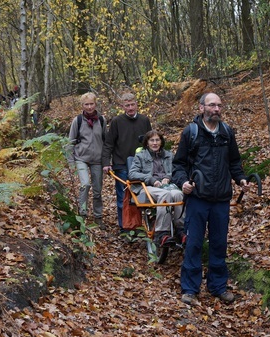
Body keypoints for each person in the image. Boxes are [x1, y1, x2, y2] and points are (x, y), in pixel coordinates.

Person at [172, 92, 249, 305]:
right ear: (201, 108)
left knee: (218, 244)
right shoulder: (191, 132)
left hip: (221, 198)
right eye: (212, 105)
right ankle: (189, 289)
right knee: (194, 243)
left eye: (219, 106)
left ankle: (218, 286)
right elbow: (178, 164)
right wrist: (183, 183)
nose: (216, 109)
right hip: (198, 198)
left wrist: (240, 178)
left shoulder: (226, 132)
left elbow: (234, 161)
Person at [102, 93, 152, 233]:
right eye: (127, 105)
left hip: (142, 165)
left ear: (136, 104)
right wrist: (106, 162)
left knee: (144, 196)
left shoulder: (144, 120)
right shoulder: (117, 121)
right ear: (122, 106)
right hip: (122, 164)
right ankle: (124, 227)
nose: (130, 108)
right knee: (124, 197)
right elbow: (109, 143)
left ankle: (141, 225)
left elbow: (152, 141)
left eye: (132, 105)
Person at [128, 130, 185, 245]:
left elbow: (176, 171)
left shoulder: (169, 155)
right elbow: (132, 173)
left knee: (178, 194)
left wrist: (168, 177)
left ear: (161, 142)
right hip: (147, 187)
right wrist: (151, 179)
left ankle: (181, 229)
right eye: (152, 140)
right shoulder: (141, 156)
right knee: (166, 195)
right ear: (147, 143)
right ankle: (162, 232)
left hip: (167, 186)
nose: (155, 143)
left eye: (157, 140)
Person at [68, 92, 107, 228]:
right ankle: (82, 214)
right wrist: (71, 162)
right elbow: (70, 142)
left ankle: (98, 216)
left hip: (97, 159)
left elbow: (106, 141)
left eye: (91, 104)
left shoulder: (101, 120)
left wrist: (108, 161)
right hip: (81, 158)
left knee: (97, 190)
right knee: (85, 184)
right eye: (86, 104)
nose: (89, 107)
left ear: (95, 104)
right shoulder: (77, 121)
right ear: (82, 105)